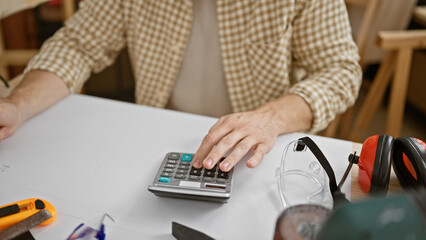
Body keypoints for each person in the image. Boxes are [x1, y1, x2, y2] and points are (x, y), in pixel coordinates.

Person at [0, 0, 361, 172]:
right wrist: (18, 106)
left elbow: (340, 70)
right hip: (160, 145)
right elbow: (76, 46)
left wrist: (271, 119)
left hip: (260, 155)